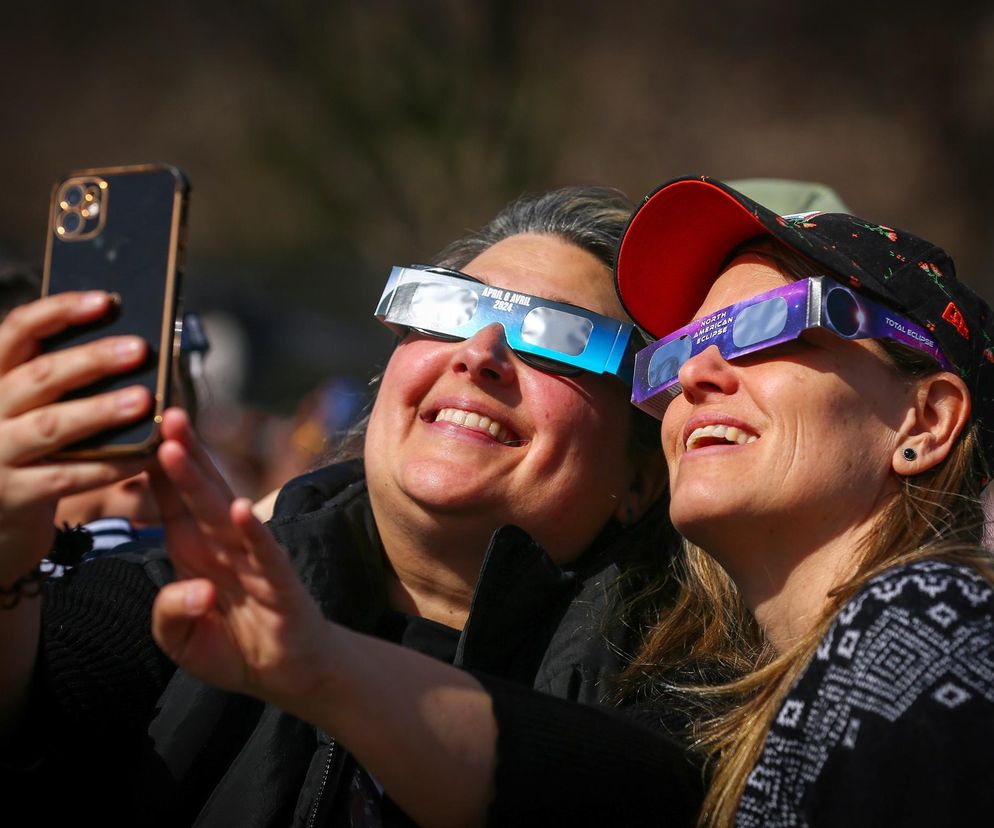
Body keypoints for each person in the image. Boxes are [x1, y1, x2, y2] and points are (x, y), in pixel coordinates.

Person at [0, 186, 704, 827]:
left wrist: (322, 670)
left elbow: (641, 792)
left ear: (643, 477)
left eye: (559, 336)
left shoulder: (692, 688)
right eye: (454, 309)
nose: (479, 351)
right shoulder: (189, 591)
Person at [613, 175, 994, 826]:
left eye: (769, 328)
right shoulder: (781, 692)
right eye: (679, 349)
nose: (692, 374)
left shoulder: (930, 622)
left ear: (926, 422)